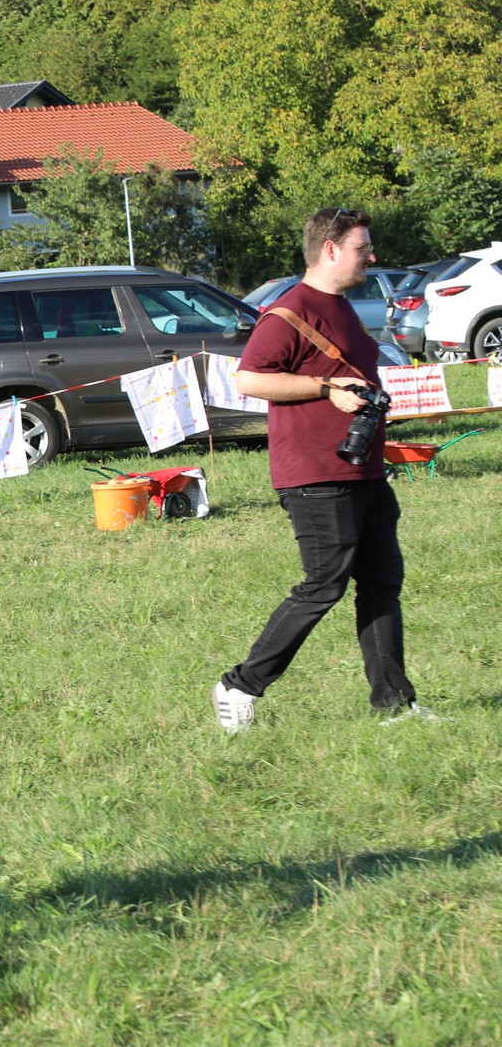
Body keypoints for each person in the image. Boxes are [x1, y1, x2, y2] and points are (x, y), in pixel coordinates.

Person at [213, 207, 429, 731]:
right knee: (324, 585)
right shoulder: (289, 311)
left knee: (381, 583)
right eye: (362, 248)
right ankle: (239, 685)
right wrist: (324, 387)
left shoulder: (342, 307)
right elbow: (249, 380)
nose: (371, 256)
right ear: (330, 250)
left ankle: (394, 704)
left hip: (363, 469)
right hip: (314, 475)